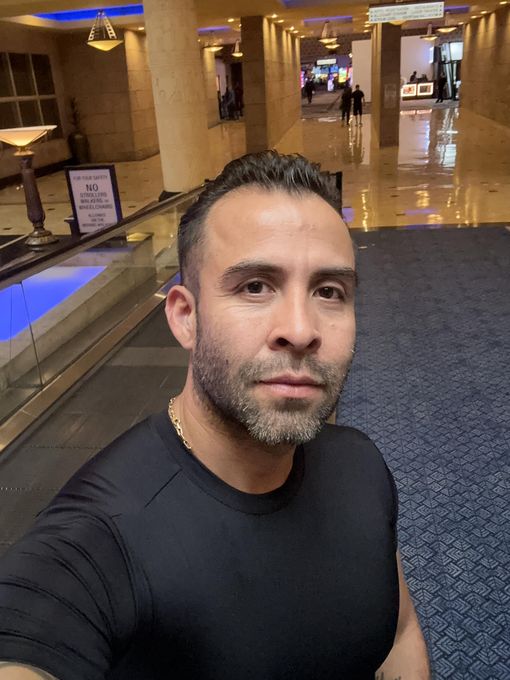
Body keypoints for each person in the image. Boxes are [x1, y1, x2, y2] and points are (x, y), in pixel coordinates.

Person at [0, 151, 430, 680]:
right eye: (255, 286)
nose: (300, 329)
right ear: (186, 316)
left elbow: (400, 632)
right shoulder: (98, 538)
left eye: (328, 291)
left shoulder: (359, 464)